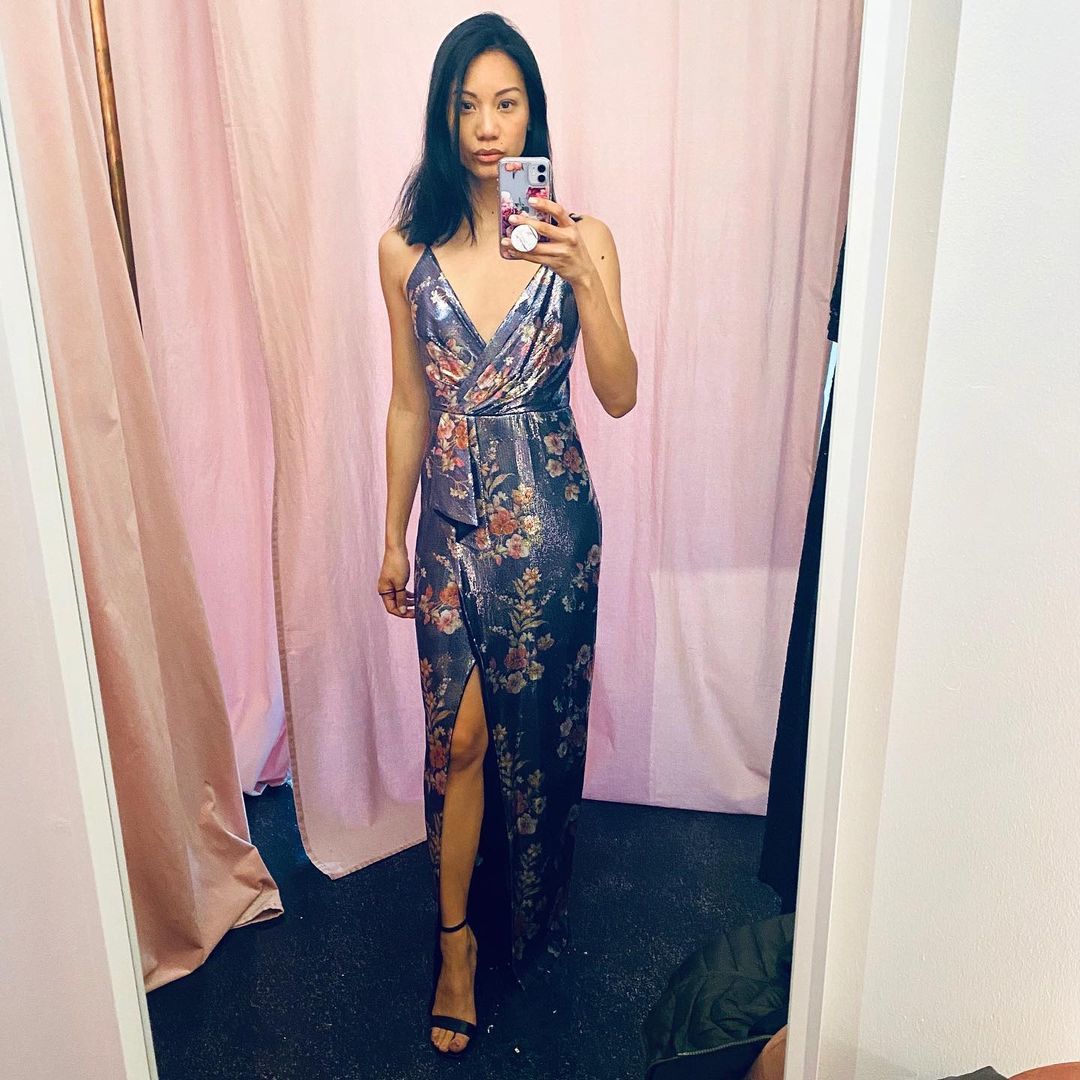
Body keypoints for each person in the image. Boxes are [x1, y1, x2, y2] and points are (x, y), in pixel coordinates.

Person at [376, 12, 637, 1056]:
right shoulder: (405, 252)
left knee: (541, 735)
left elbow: (619, 392)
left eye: (508, 102)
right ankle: (456, 946)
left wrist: (585, 279)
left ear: (533, 114)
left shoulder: (584, 239)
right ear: (445, 119)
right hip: (449, 531)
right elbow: (409, 403)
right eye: (469, 105)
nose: (488, 126)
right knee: (460, 741)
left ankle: (533, 896)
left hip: (554, 538)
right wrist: (390, 533)